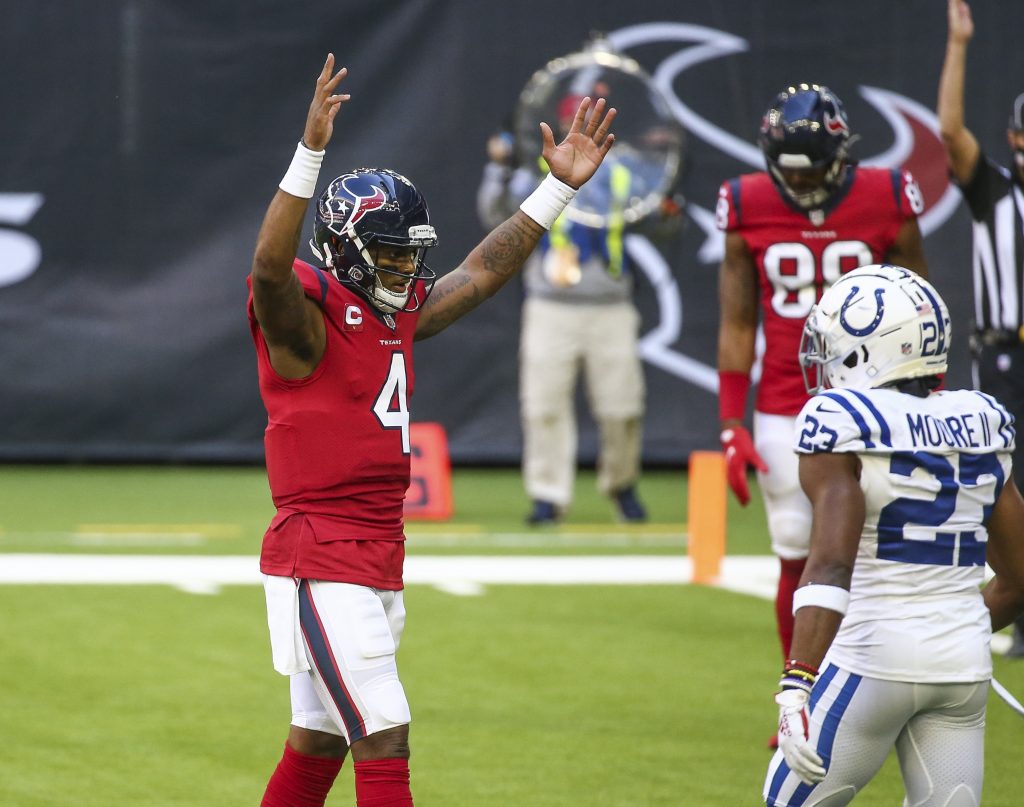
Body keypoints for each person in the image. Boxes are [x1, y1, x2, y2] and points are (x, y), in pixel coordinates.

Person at [249, 54, 616, 807]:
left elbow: (482, 270)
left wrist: (555, 189)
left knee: (318, 741)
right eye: (388, 254)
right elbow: (267, 268)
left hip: (377, 547)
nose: (404, 269)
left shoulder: (393, 313)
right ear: (345, 250)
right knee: (384, 731)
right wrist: (310, 152)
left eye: (409, 254)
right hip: (323, 549)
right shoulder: (306, 323)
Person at [763, 263, 1024, 806]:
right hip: (962, 666)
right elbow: (1019, 576)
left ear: (868, 352)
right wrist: (955, 625)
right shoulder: (977, 419)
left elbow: (831, 563)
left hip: (871, 657)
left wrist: (796, 683)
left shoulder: (841, 417)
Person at [715, 83, 929, 673]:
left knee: (888, 555)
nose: (800, 185)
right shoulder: (746, 201)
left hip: (883, 398)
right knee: (795, 549)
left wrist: (929, 399)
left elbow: (922, 307)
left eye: (812, 172)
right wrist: (732, 421)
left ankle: (878, 685)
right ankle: (800, 691)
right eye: (790, 173)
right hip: (790, 401)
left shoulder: (887, 194)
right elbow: (737, 323)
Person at [477, 94, 681, 525]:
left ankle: (621, 484)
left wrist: (669, 206)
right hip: (550, 306)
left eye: (586, 119)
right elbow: (495, 215)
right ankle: (548, 496)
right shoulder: (537, 166)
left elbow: (659, 223)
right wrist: (499, 166)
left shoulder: (625, 170)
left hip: (611, 306)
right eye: (573, 118)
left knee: (623, 406)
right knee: (543, 405)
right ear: (561, 120)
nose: (579, 125)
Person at [938, 0, 1024, 658]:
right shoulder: (994, 191)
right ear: (1016, 139)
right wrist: (960, 45)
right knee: (1008, 485)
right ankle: (1008, 612)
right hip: (1004, 356)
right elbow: (949, 129)